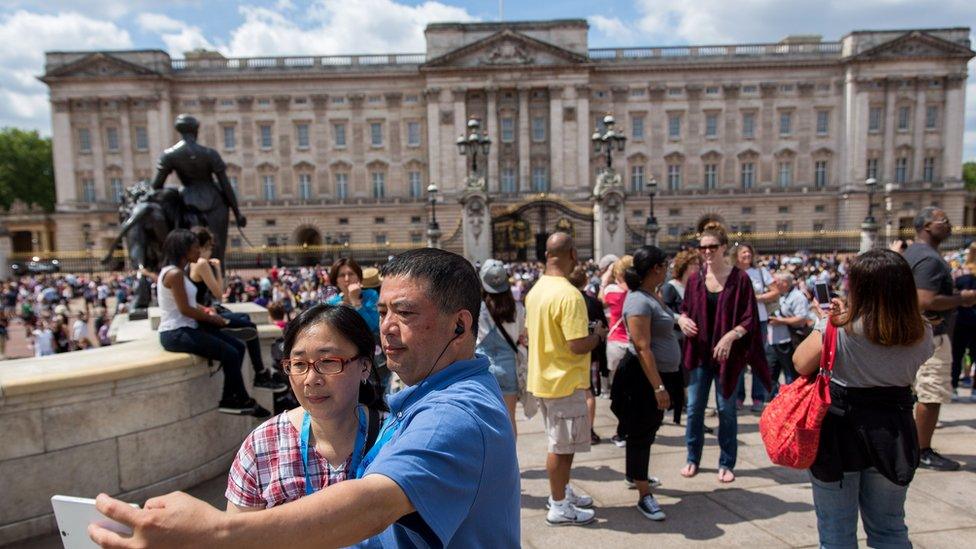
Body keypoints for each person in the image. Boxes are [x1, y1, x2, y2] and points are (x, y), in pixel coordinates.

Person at [90, 247, 520, 548]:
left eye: (404, 313)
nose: (385, 327)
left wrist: (212, 532)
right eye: (383, 310)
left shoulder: (453, 413)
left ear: (460, 326)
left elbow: (369, 505)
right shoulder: (430, 395)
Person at [793, 249, 934, 548]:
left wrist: (827, 322)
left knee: (836, 534)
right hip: (894, 429)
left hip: (841, 431)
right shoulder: (922, 331)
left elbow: (800, 363)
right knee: (890, 529)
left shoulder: (839, 327)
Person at [226, 305, 386, 518]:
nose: (311, 380)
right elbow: (238, 537)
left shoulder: (393, 437)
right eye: (299, 364)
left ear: (365, 366)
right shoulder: (262, 445)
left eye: (328, 362)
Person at [677, 223, 770, 483]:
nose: (707, 251)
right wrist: (682, 319)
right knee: (694, 409)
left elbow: (749, 318)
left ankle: (726, 461)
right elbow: (684, 309)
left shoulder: (740, 279)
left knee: (726, 409)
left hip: (728, 358)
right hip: (699, 354)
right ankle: (692, 457)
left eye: (712, 247)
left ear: (724, 248)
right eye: (703, 247)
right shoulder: (695, 279)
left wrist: (730, 335)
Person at [525, 232, 607, 526]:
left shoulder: (536, 290)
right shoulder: (570, 295)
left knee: (563, 444)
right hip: (565, 381)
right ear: (572, 254)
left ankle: (563, 490)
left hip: (544, 378)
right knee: (561, 448)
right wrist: (596, 337)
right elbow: (575, 344)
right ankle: (558, 504)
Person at [155, 229, 269, 417]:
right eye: (195, 248)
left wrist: (205, 309)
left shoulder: (177, 272)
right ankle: (240, 398)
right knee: (230, 353)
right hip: (175, 332)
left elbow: (189, 303)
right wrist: (212, 318)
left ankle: (229, 398)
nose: (199, 252)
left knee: (238, 348)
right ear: (184, 249)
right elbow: (185, 310)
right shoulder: (174, 274)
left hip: (185, 327)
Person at [612, 245, 682, 521]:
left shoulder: (651, 295)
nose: (668, 269)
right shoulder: (638, 301)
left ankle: (636, 475)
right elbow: (642, 347)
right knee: (641, 433)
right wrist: (658, 387)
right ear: (656, 268)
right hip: (643, 378)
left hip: (654, 375)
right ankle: (644, 495)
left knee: (647, 431)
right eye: (665, 265)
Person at [904, 208, 976, 471]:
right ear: (925, 226)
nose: (949, 225)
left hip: (914, 333)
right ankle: (921, 450)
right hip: (931, 336)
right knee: (931, 394)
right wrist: (962, 299)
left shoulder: (912, 252)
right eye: (942, 221)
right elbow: (926, 301)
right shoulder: (930, 259)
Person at [189, 227, 285, 392]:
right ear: (204, 245)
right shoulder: (202, 263)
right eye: (210, 247)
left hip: (206, 312)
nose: (212, 250)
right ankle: (260, 373)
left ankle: (260, 372)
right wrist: (218, 269)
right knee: (250, 327)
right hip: (208, 315)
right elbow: (219, 293)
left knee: (244, 318)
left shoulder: (190, 264)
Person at [475, 259, 525, 438]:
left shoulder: (476, 309)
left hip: (483, 368)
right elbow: (520, 334)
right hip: (508, 367)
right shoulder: (517, 308)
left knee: (485, 420)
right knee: (510, 418)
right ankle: (511, 462)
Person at [732, 244, 778, 412]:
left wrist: (756, 298)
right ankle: (738, 396)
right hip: (738, 321)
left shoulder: (760, 272)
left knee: (758, 358)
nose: (746, 255)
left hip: (760, 319)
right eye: (743, 252)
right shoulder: (732, 273)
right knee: (738, 360)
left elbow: (775, 291)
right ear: (736, 255)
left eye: (749, 252)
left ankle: (758, 397)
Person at [568, 266, 609, 445]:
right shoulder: (593, 302)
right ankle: (588, 430)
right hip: (590, 352)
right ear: (585, 281)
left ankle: (575, 429)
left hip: (569, 353)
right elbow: (604, 327)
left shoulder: (567, 300)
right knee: (588, 392)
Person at [661, 249, 700, 425]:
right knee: (680, 375)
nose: (698, 268)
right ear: (684, 266)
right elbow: (665, 311)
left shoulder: (696, 285)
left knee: (689, 375)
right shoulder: (671, 287)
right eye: (694, 265)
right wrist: (681, 319)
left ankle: (688, 405)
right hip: (677, 337)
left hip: (692, 338)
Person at [601, 255, 633, 446]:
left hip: (616, 344)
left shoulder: (613, 291)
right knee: (631, 392)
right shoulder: (639, 292)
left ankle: (623, 430)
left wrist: (605, 279)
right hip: (633, 345)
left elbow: (600, 299)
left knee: (618, 392)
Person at [765, 272, 811, 396]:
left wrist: (781, 321)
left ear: (784, 283)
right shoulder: (776, 295)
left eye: (775, 282)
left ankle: (792, 398)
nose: (772, 284)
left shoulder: (798, 297)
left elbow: (802, 318)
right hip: (773, 340)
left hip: (789, 341)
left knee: (790, 373)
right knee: (770, 373)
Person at [952, 243, 976, 401]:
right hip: (969, 316)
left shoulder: (959, 272)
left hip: (961, 316)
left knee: (957, 353)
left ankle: (953, 385)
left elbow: (951, 291)